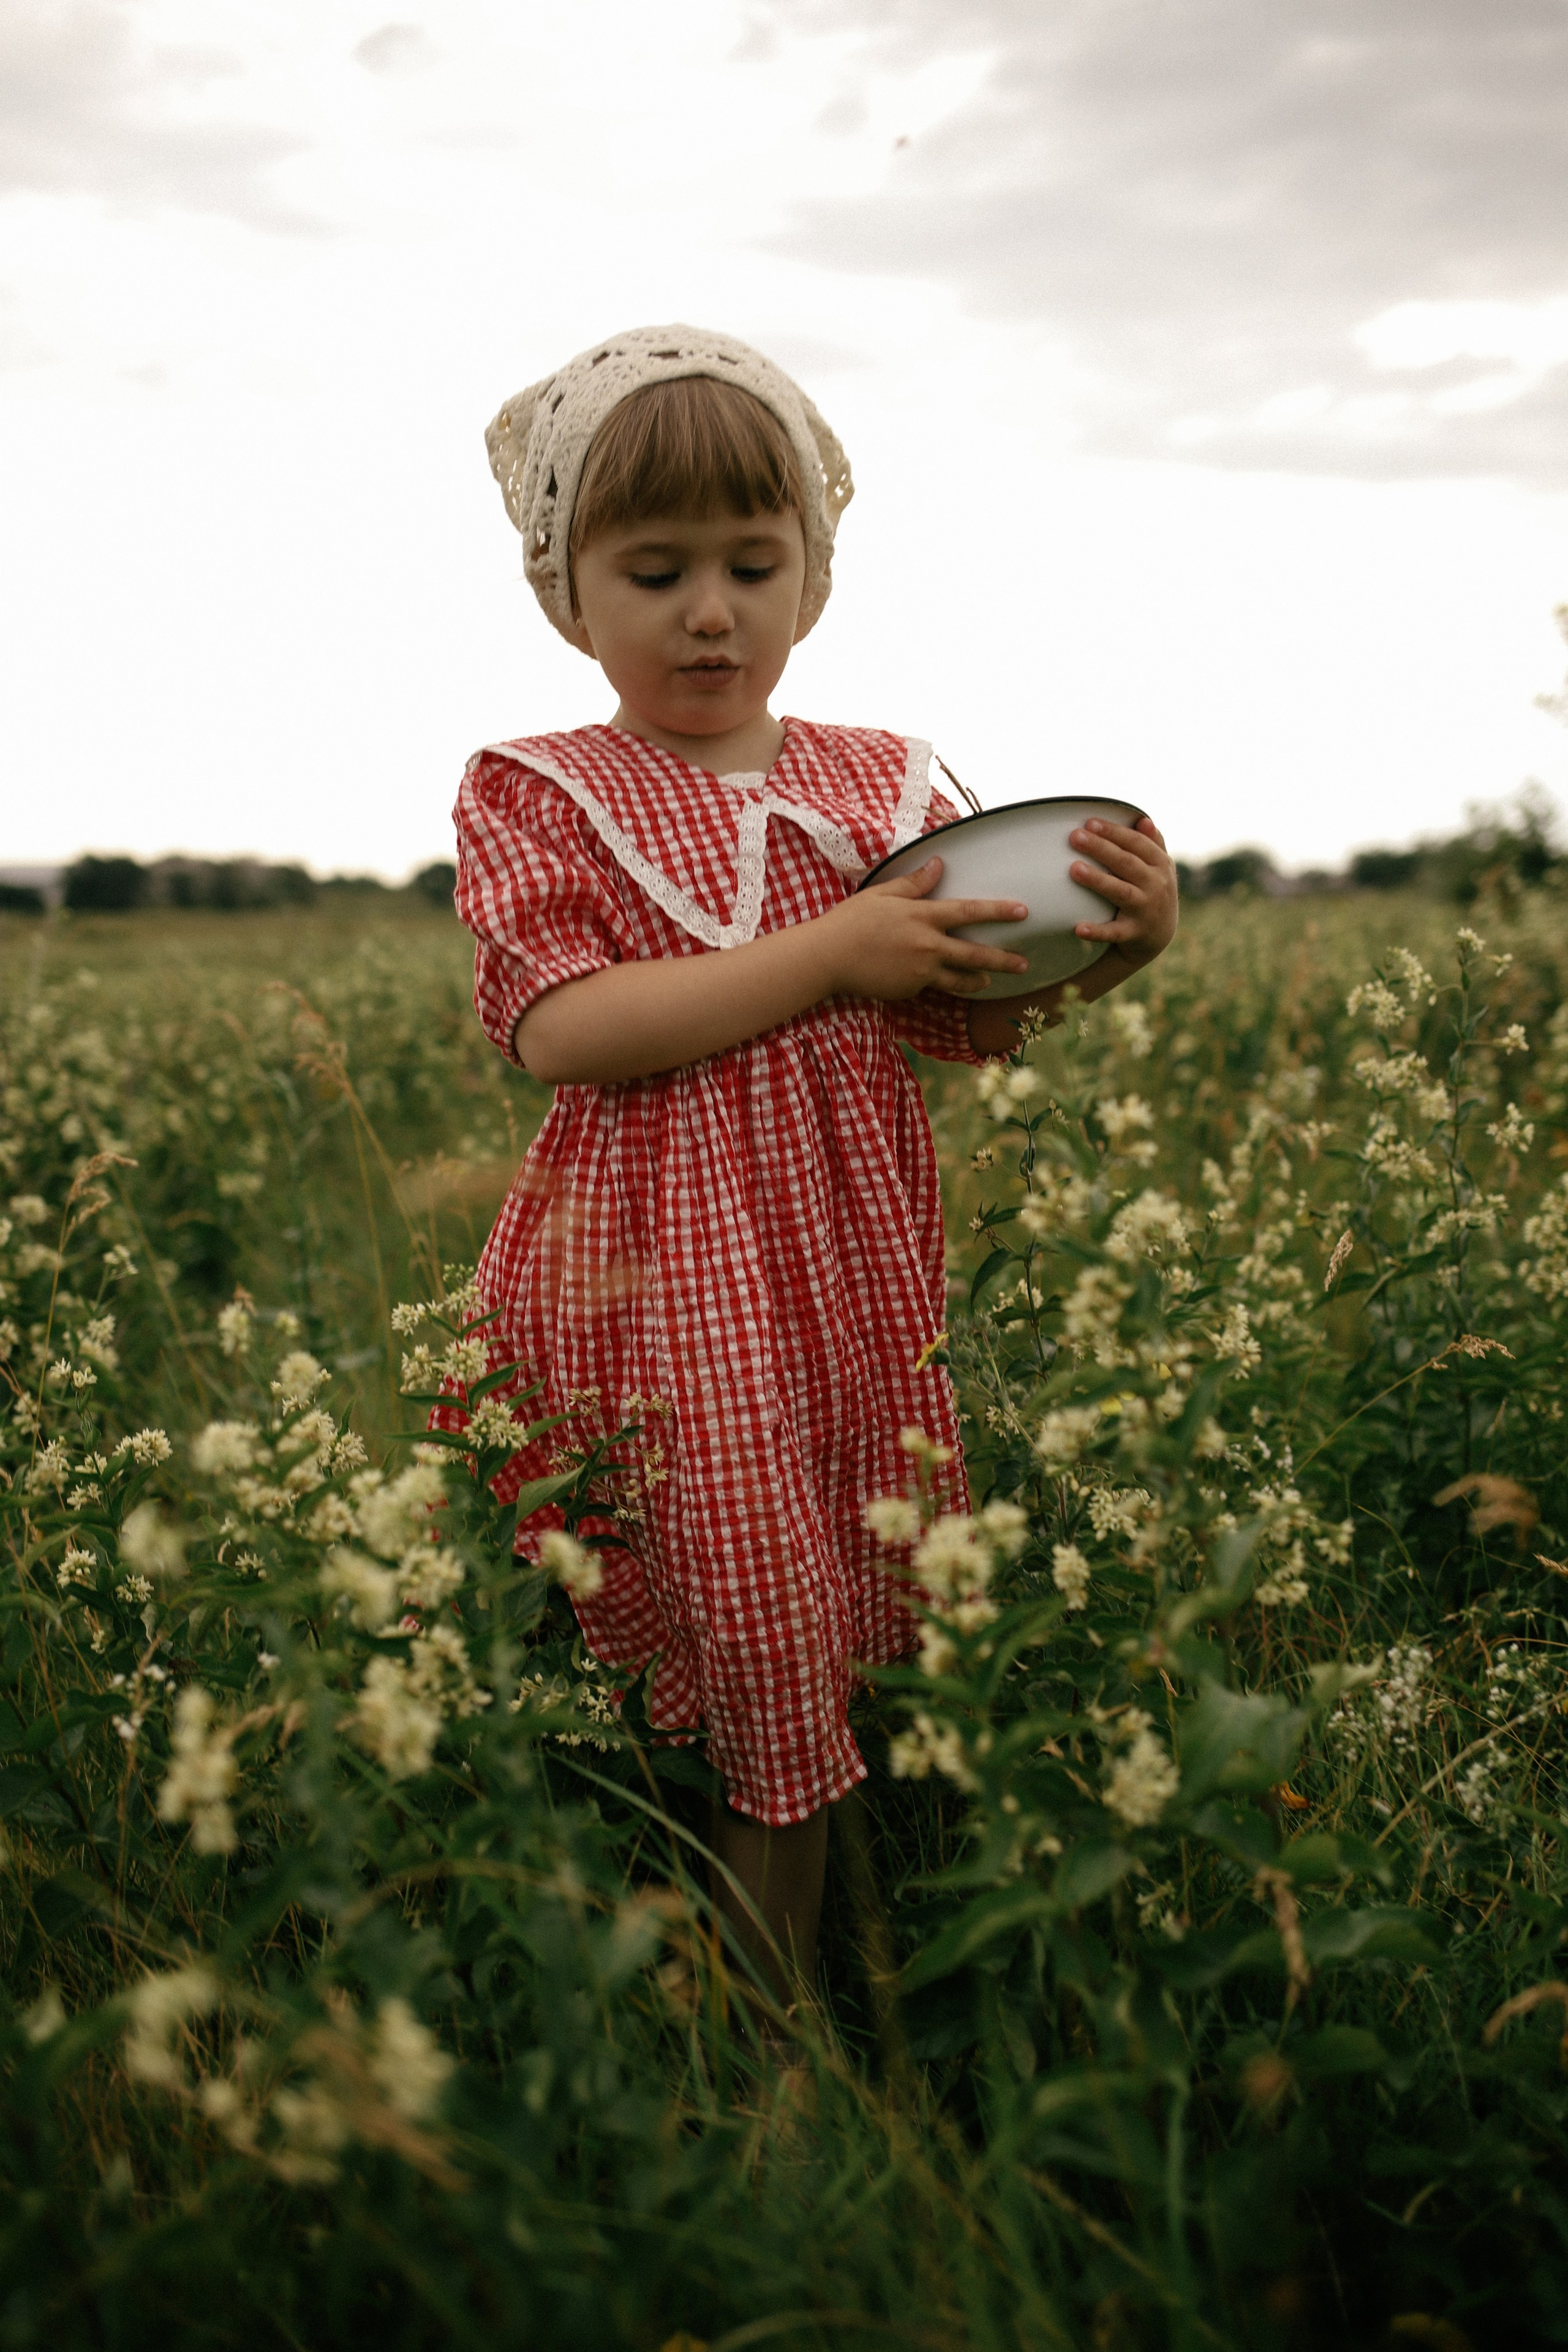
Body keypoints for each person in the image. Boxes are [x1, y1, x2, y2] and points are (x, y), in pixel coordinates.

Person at [453, 325, 1177, 2013]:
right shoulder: (546, 789)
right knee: (751, 1633)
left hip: (848, 1284)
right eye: (655, 570)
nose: (711, 609)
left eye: (753, 564)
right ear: (568, 596)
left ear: (814, 577)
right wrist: (830, 955)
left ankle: (859, 1970)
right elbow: (559, 1028)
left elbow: (975, 1007)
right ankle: (767, 2043)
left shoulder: (884, 786)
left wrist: (1117, 946)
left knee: (847, 1604)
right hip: (656, 1290)